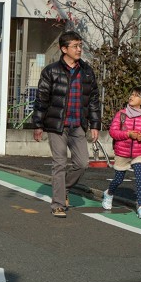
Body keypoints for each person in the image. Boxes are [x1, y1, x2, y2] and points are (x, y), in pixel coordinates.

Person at [32, 31, 101, 218]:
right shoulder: (51, 71)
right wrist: (38, 125)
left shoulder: (87, 71)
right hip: (57, 125)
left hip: (78, 124)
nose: (79, 49)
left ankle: (64, 189)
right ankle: (58, 204)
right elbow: (41, 99)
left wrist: (95, 124)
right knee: (60, 163)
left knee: (82, 163)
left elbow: (94, 99)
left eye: (80, 45)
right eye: (75, 46)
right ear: (64, 49)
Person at [102, 88, 141, 219]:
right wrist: (128, 134)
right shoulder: (121, 114)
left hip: (139, 152)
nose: (131, 97)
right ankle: (109, 193)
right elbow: (113, 132)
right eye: (131, 94)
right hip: (122, 152)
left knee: (140, 178)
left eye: (136, 96)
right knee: (118, 179)